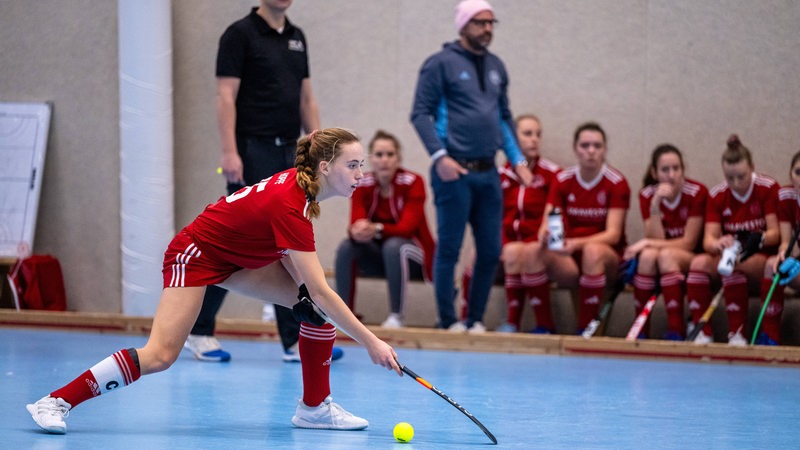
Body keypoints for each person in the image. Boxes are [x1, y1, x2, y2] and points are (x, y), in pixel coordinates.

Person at [26, 128, 402, 435]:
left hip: (238, 259)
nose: (360, 174)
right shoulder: (291, 206)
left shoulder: (301, 192)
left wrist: (309, 301)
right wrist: (371, 342)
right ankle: (55, 401)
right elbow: (320, 287)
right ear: (324, 167)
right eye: (352, 165)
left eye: (361, 165)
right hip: (195, 255)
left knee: (315, 312)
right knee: (160, 355)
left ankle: (315, 408)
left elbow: (308, 286)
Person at [185, 0, 330, 363]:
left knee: (286, 242)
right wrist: (229, 151)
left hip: (288, 152)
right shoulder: (239, 35)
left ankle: (294, 339)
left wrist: (317, 143)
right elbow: (225, 96)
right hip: (252, 150)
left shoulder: (297, 37)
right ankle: (199, 330)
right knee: (238, 244)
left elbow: (306, 96)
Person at [410, 0, 533, 334]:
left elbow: (503, 117)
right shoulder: (440, 64)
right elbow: (420, 114)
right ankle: (448, 321)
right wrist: (440, 158)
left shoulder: (497, 66)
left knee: (491, 249)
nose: (488, 29)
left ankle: (474, 319)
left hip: (488, 172)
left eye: (492, 22)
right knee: (449, 247)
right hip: (454, 172)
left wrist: (517, 159)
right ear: (463, 25)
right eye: (480, 22)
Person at [535, 122, 631, 334]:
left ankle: (585, 330)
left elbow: (613, 235)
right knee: (531, 251)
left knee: (592, 251)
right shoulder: (562, 180)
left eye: (597, 146)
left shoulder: (616, 182)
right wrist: (545, 234)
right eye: (585, 145)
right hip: (569, 256)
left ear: (604, 149)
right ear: (575, 148)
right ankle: (542, 326)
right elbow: (547, 221)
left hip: (607, 257)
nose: (590, 151)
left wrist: (577, 243)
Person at [334, 130, 435, 328]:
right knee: (347, 246)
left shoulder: (414, 182)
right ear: (371, 159)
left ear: (398, 158)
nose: (385, 160)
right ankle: (344, 317)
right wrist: (358, 230)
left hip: (414, 255)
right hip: (379, 256)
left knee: (394, 245)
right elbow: (355, 222)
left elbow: (406, 228)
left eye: (390, 154)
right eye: (379, 155)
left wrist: (377, 228)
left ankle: (397, 316)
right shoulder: (362, 182)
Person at [685, 135, 780, 345]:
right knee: (698, 263)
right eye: (730, 178)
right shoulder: (718, 195)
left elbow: (776, 234)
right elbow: (708, 240)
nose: (736, 184)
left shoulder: (768, 188)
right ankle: (703, 332)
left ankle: (738, 333)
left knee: (736, 263)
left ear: (752, 168)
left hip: (759, 259)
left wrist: (758, 238)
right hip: (728, 261)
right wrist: (718, 243)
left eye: (742, 176)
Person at [623, 144, 708, 340]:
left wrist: (645, 242)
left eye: (676, 169)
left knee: (663, 255)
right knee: (647, 257)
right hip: (663, 256)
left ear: (683, 170)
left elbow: (688, 243)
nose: (671, 175)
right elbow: (657, 241)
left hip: (691, 258)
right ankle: (641, 330)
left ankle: (675, 329)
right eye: (665, 170)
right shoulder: (647, 195)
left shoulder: (697, 192)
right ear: (654, 172)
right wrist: (655, 205)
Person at [492, 114, 561, 333]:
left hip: (541, 247)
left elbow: (555, 216)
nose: (534, 140)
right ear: (513, 137)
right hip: (510, 244)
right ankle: (468, 322)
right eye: (527, 134)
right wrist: (499, 245)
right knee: (494, 254)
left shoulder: (553, 174)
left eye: (538, 134)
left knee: (527, 252)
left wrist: (545, 238)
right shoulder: (499, 175)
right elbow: (493, 218)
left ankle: (544, 324)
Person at [762, 150, 800, 343]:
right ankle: (769, 335)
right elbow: (787, 242)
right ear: (791, 175)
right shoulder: (786, 197)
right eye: (798, 172)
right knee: (771, 265)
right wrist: (783, 254)